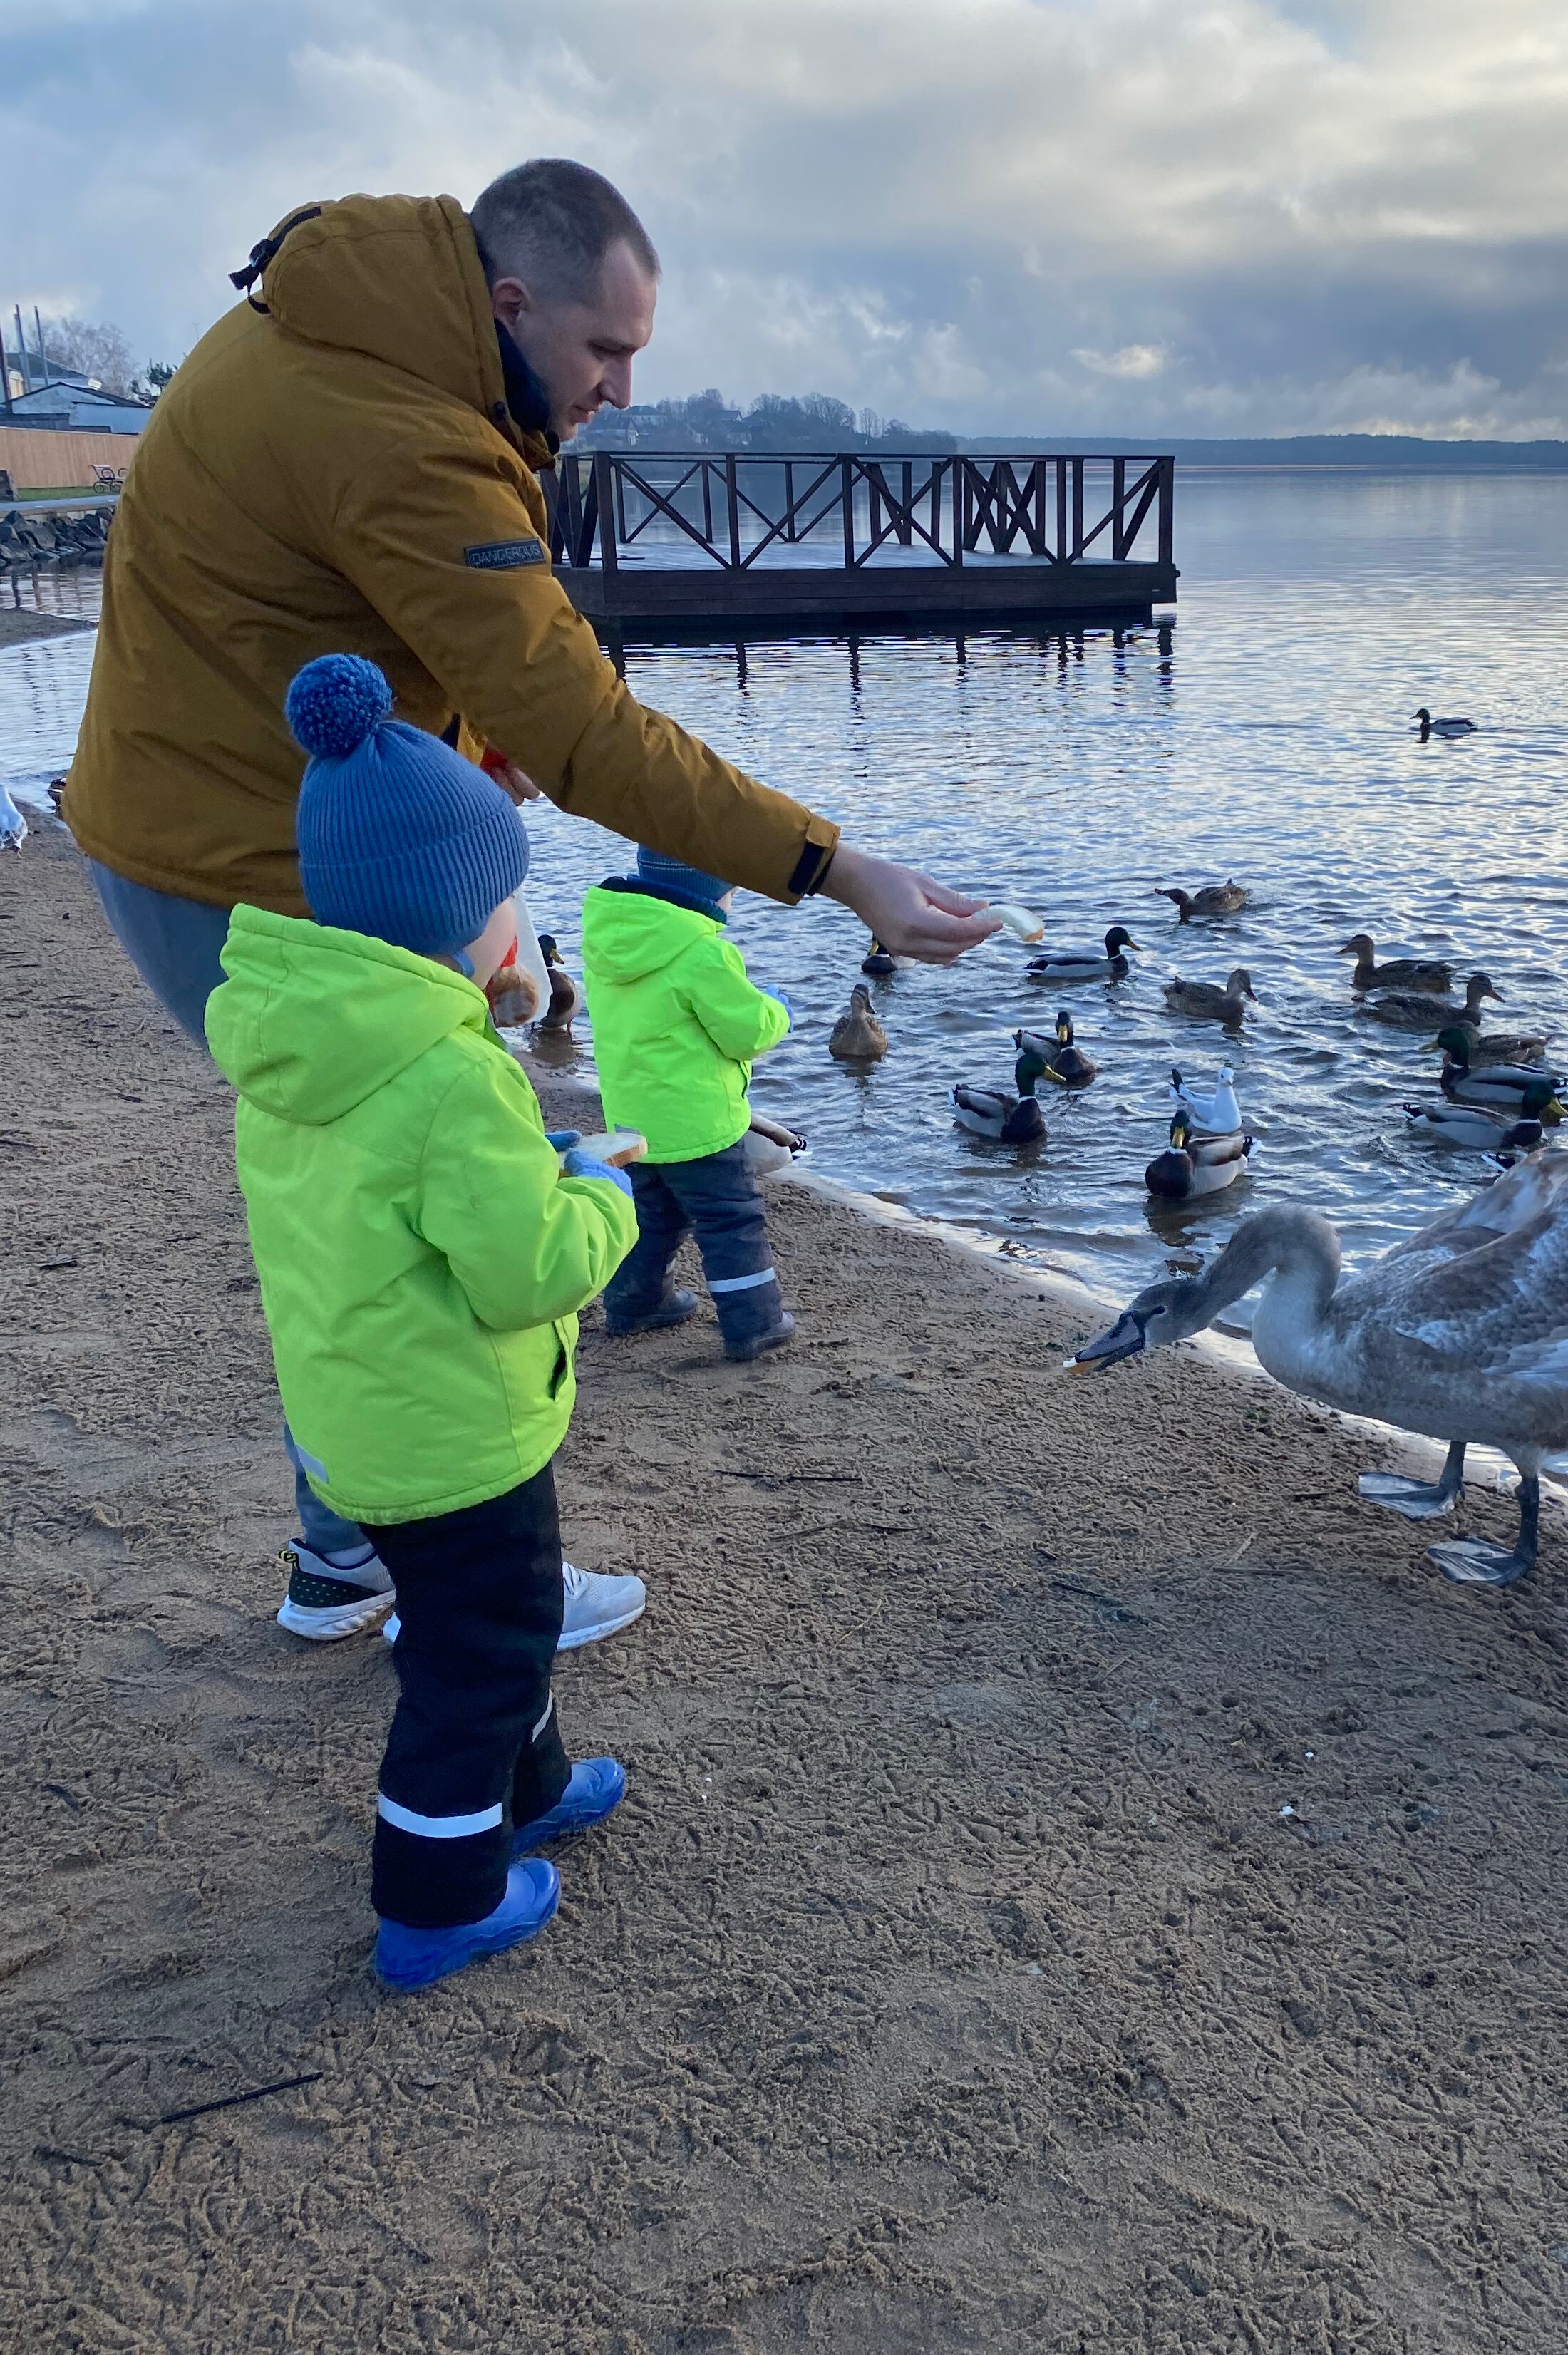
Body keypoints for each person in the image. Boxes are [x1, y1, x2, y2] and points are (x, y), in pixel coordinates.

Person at [63, 155, 995, 1636]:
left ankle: (343, 1556)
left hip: (188, 819)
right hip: (237, 865)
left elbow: (397, 618)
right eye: (605, 351)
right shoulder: (401, 429)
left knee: (357, 1208)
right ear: (508, 303)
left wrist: (467, 747)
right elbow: (584, 728)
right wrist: (837, 868)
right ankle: (472, 1587)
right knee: (433, 1221)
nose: (622, 387)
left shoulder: (357, 330)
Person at [207, 654, 642, 1991]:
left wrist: (530, 1145)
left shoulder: (300, 1051)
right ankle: (437, 1898)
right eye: (507, 894)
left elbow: (390, 1216)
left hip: (363, 1412)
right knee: (475, 1658)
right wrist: (601, 1195)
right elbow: (525, 1274)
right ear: (463, 919)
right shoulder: (450, 1076)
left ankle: (534, 1783)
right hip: (457, 1427)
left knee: (491, 1624)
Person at [582, 846, 795, 1358]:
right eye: (731, 887)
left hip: (634, 1119)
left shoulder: (608, 941)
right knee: (730, 1221)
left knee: (652, 1215)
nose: (734, 896)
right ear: (705, 892)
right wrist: (776, 1010)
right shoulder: (702, 953)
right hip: (698, 1124)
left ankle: (635, 1304)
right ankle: (755, 1323)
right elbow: (746, 1033)